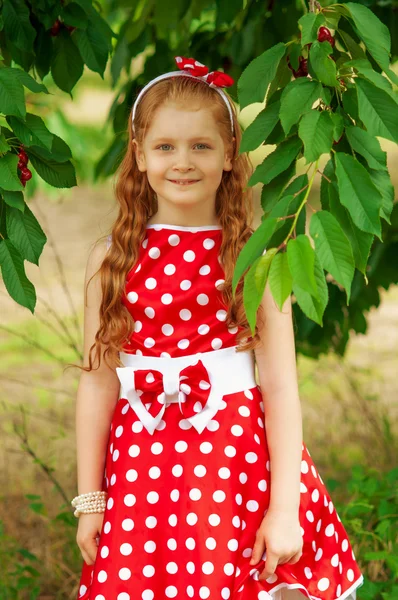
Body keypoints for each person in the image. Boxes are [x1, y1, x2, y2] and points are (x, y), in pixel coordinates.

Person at [72, 56, 365, 600]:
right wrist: (91, 500)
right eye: (164, 147)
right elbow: (97, 382)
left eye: (201, 146)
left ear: (230, 155)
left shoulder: (253, 257)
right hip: (143, 475)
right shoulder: (110, 259)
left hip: (233, 470)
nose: (182, 162)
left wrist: (285, 510)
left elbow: (279, 387)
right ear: (139, 155)